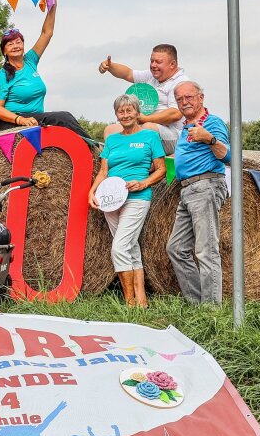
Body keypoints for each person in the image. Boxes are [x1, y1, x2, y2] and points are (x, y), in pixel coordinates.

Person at [88, 94, 167, 308]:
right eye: (121, 111)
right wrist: (92, 192)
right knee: (130, 247)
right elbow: (104, 171)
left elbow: (161, 169)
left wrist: (143, 184)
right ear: (116, 115)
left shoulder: (150, 137)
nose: (125, 114)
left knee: (119, 247)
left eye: (129, 110)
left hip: (137, 197)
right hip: (111, 200)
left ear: (137, 112)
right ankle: (141, 301)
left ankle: (129, 302)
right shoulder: (112, 140)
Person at [0, 0, 88, 139]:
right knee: (64, 117)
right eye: (10, 44)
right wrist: (20, 120)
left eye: (18, 42)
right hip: (12, 122)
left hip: (36, 117)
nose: (15, 46)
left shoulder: (30, 60)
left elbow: (46, 33)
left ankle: (89, 149)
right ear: (4, 51)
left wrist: (52, 6)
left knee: (63, 122)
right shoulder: (2, 75)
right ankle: (93, 147)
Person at [166, 82, 231, 304]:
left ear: (201, 98)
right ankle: (197, 302)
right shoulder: (185, 127)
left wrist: (209, 138)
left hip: (206, 186)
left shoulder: (213, 123)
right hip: (187, 190)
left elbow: (229, 155)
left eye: (189, 97)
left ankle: (211, 310)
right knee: (176, 248)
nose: (184, 102)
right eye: (180, 99)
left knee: (206, 250)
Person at [98, 44, 190, 153]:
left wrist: (145, 119)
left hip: (174, 135)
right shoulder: (151, 75)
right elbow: (128, 74)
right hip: (143, 125)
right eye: (152, 61)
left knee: (147, 129)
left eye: (158, 62)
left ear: (172, 64)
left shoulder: (180, 82)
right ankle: (116, 163)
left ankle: (137, 161)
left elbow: (175, 114)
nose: (153, 65)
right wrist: (110, 66)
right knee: (111, 130)